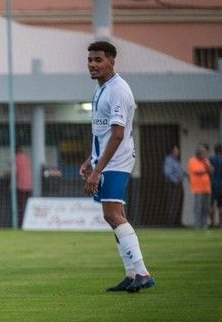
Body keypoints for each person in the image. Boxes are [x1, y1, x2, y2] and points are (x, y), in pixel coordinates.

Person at [79, 41, 154, 293]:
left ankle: (143, 272)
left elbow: (118, 134)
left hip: (116, 161)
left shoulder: (118, 90)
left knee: (112, 214)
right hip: (106, 160)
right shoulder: (102, 89)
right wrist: (91, 159)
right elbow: (102, 131)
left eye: (98, 60)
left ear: (112, 61)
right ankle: (132, 273)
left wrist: (98, 170)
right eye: (90, 60)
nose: (92, 64)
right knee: (113, 215)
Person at [187, 144, 213, 229]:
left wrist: (209, 169)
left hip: (207, 188)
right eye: (203, 153)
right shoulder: (192, 161)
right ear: (198, 153)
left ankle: (204, 224)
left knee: (205, 208)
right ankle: (197, 224)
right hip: (198, 189)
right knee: (198, 207)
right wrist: (207, 170)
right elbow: (198, 171)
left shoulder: (206, 161)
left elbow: (211, 171)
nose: (205, 155)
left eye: (205, 153)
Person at [209, 143, 222, 227]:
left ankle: (212, 222)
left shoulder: (211, 159)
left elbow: (210, 171)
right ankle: (221, 223)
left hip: (213, 185)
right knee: (221, 205)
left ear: (215, 151)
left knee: (211, 204)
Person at [163, 145, 184, 226]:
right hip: (172, 185)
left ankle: (177, 222)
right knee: (172, 204)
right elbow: (167, 172)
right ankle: (170, 223)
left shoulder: (176, 160)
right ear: (172, 151)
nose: (177, 151)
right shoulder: (169, 160)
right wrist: (175, 181)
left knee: (178, 203)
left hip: (178, 185)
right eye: (176, 150)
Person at [15, 146, 32, 225]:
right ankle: (30, 221)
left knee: (22, 205)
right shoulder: (27, 158)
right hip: (30, 185)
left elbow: (15, 172)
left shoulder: (16, 159)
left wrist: (11, 183)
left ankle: (23, 223)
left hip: (21, 185)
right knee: (28, 204)